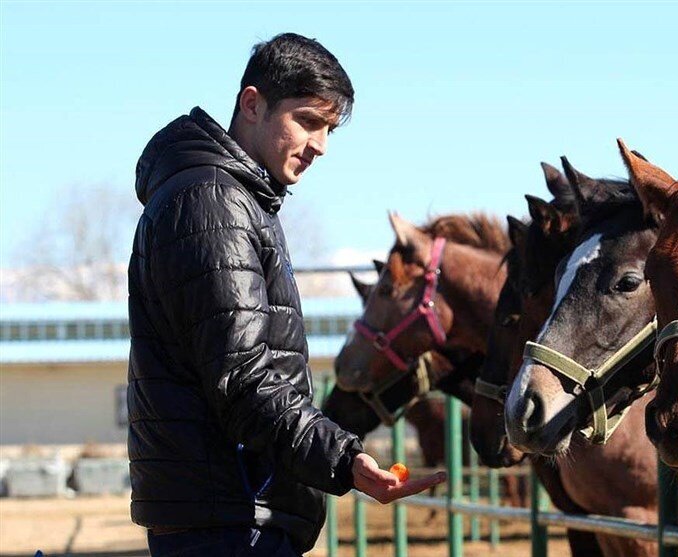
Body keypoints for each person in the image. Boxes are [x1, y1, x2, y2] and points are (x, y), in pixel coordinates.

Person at [127, 33, 445, 556]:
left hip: (232, 510)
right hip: (232, 515)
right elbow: (243, 377)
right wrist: (344, 459)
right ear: (252, 105)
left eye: (330, 129)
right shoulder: (214, 203)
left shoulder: (233, 198)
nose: (320, 144)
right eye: (308, 121)